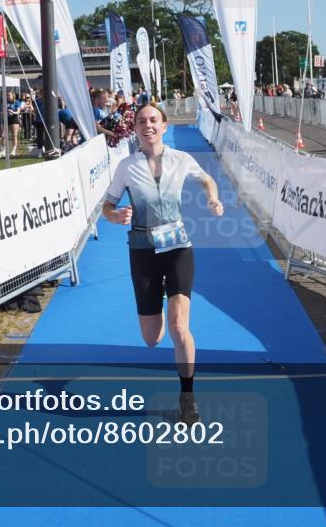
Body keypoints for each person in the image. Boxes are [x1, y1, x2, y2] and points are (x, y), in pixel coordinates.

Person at [102, 103, 223, 423]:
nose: (148, 125)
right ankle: (159, 304)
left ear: (164, 126)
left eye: (153, 120)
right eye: (141, 121)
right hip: (142, 251)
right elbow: (107, 206)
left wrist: (213, 197)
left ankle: (187, 396)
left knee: (179, 326)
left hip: (178, 247)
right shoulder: (127, 166)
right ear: (136, 128)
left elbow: (207, 179)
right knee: (152, 337)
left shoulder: (181, 159)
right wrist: (115, 216)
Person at [4, 90, 23, 156]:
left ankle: (13, 150)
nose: (7, 96)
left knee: (14, 135)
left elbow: (18, 111)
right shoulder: (6, 102)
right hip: (7, 119)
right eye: (7, 95)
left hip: (14, 119)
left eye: (9, 95)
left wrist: (13, 112)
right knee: (4, 135)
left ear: (13, 95)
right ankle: (4, 150)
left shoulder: (16, 102)